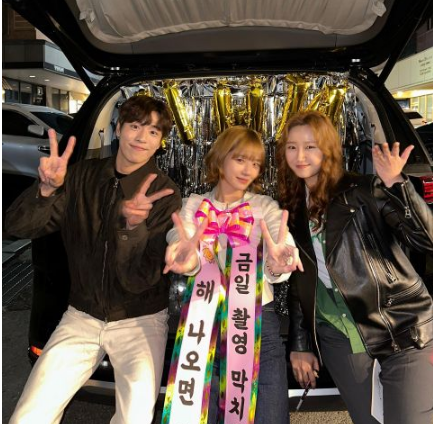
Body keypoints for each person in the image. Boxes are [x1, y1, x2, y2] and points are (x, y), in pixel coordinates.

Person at [5, 95, 182, 424]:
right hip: (81, 314)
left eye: (153, 131)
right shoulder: (81, 176)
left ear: (161, 142)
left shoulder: (164, 193)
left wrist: (130, 228)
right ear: (119, 128)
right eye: (135, 126)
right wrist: (46, 191)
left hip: (140, 319)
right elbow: (17, 227)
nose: (142, 137)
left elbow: (142, 278)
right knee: (29, 415)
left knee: (135, 418)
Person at [276, 110, 433, 424]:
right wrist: (301, 344)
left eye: (310, 146)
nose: (300, 156)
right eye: (292, 147)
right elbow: (300, 281)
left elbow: (425, 238)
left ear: (328, 148)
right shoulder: (291, 206)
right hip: (338, 335)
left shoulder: (363, 189)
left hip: (401, 327)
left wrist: (396, 183)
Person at [163, 126, 303, 424]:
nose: (248, 170)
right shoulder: (194, 204)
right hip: (202, 324)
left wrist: (280, 260)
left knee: (269, 416)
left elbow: (281, 242)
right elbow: (181, 236)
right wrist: (184, 255)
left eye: (255, 163)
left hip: (258, 323)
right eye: (240, 159)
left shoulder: (264, 207)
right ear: (220, 158)